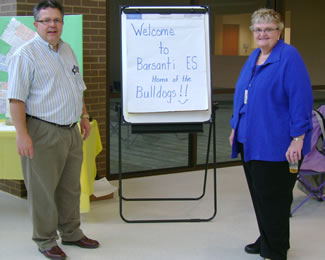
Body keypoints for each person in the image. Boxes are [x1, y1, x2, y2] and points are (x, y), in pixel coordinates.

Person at [8, 0, 99, 259]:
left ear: (62, 23)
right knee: (43, 190)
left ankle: (71, 233)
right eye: (46, 20)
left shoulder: (67, 49)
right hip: (42, 132)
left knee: (70, 187)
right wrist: (23, 134)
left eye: (57, 20)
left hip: (71, 131)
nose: (52, 25)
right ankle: (46, 240)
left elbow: (76, 86)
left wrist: (83, 115)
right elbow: (16, 99)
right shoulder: (24, 55)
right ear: (36, 24)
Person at [229, 8, 313, 260]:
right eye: (258, 29)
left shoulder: (289, 57)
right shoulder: (254, 56)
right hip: (250, 140)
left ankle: (275, 250)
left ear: (279, 32)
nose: (262, 33)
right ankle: (267, 237)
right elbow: (242, 95)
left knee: (274, 198)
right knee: (260, 195)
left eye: (268, 29)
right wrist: (235, 126)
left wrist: (298, 138)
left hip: (276, 143)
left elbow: (301, 98)